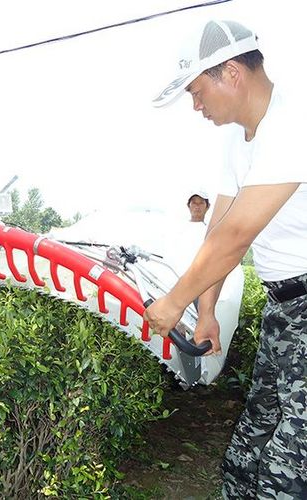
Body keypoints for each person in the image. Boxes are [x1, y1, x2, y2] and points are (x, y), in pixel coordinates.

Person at [146, 20, 307, 498]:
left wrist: (176, 302)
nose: (196, 107)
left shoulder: (294, 122)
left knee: (290, 466)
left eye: (197, 93)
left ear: (231, 73)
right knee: (250, 443)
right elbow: (217, 228)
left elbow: (237, 235)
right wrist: (208, 310)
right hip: (284, 307)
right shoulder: (237, 140)